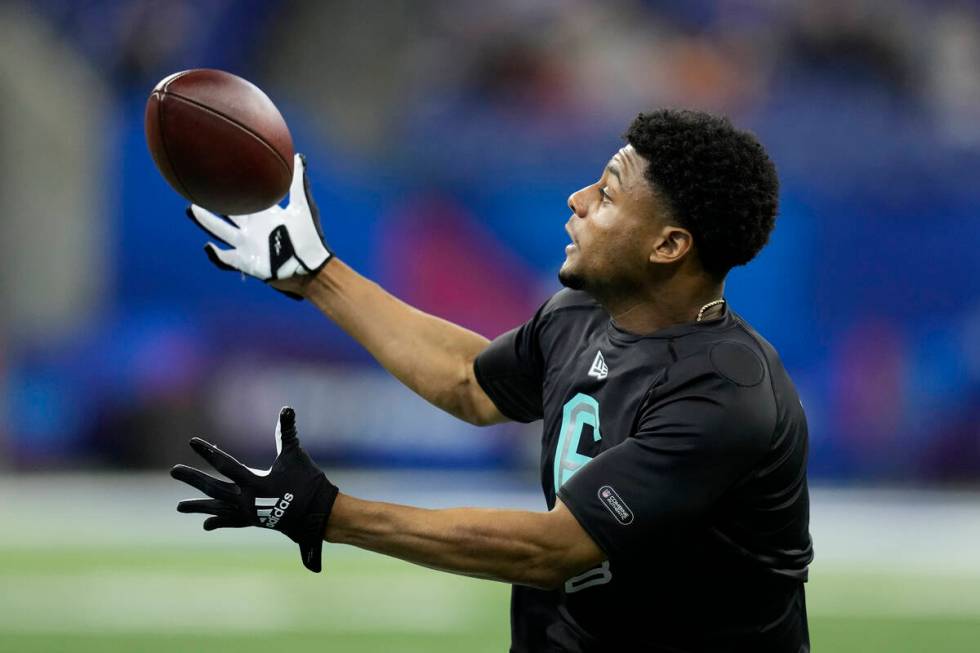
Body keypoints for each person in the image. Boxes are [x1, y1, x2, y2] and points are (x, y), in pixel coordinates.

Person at [173, 109, 813, 652]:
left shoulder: (725, 393)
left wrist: (330, 514)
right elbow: (466, 382)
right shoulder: (581, 314)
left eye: (609, 194)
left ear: (669, 246)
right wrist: (316, 273)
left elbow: (554, 549)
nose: (579, 199)